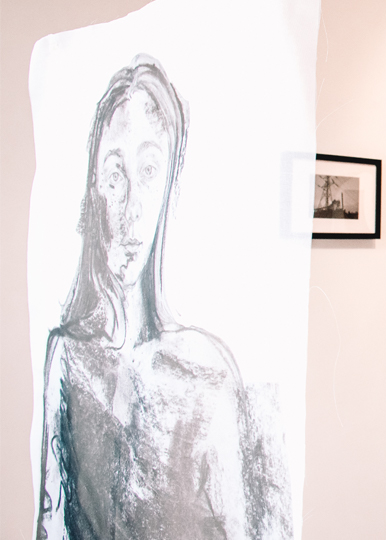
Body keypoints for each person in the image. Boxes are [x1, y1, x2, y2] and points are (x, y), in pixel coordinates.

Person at [36, 55, 290, 540]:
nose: (131, 208)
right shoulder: (67, 357)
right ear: (94, 192)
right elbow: (50, 523)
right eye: (115, 176)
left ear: (171, 189)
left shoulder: (208, 373)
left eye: (150, 171)